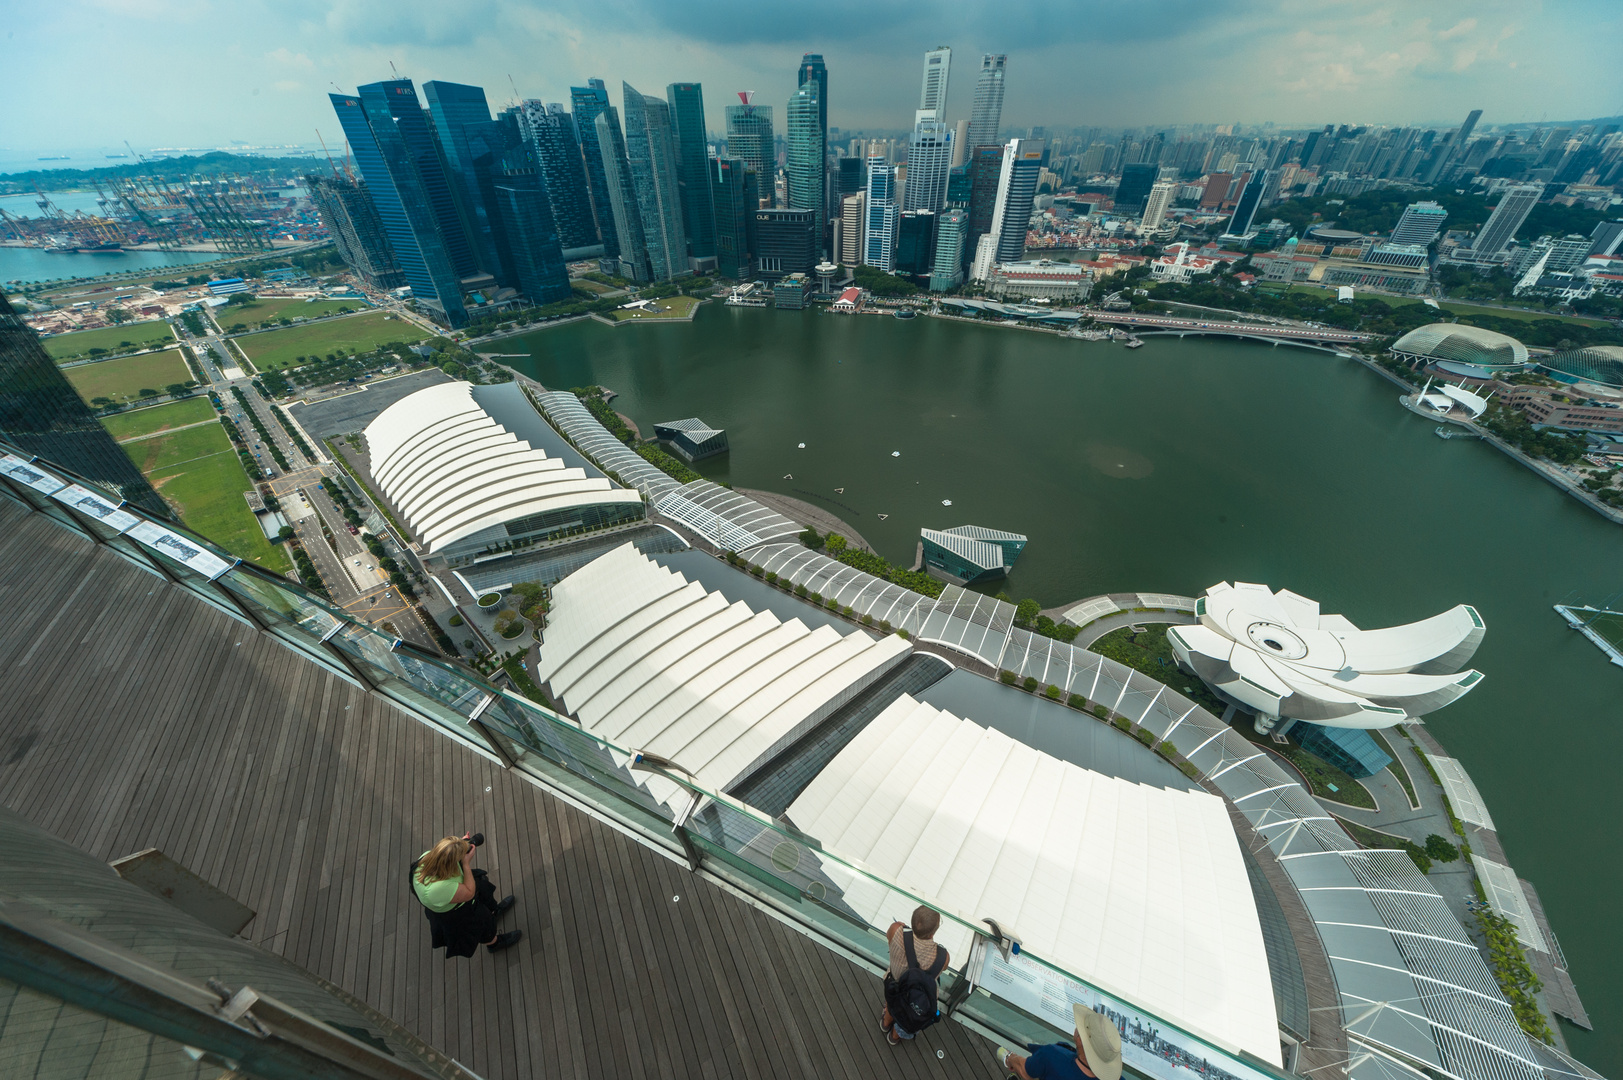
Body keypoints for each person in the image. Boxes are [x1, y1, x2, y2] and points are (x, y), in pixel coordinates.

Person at [410, 832, 521, 958]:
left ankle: (494, 913)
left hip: (457, 896)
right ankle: (494, 943)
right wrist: (466, 864)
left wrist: (460, 845)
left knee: (485, 905)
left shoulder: (428, 858)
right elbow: (469, 892)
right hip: (459, 913)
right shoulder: (437, 888)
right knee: (482, 927)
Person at [879, 905, 950, 1045]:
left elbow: (889, 937)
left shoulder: (896, 930)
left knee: (893, 1004)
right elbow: (943, 968)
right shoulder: (942, 957)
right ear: (931, 934)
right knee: (906, 1017)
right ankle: (894, 1036)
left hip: (894, 984)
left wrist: (901, 926)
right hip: (916, 999)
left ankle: (885, 1022)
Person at [993, 1004, 1122, 1080]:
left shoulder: (1053, 1056)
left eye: (1082, 1026)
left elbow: (1025, 1070)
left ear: (1081, 1041)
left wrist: (1009, 1058)